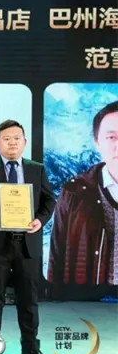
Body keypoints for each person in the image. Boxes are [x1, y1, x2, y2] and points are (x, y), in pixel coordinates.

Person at [0, 119, 56, 354]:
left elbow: (49, 200)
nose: (12, 143)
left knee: (28, 299)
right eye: (6, 139)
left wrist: (40, 220)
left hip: (27, 243)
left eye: (17, 138)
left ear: (24, 142)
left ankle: (31, 349)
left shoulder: (36, 169)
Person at [49, 101, 118, 287]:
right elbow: (56, 257)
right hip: (88, 300)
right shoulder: (74, 193)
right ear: (97, 142)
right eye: (111, 137)